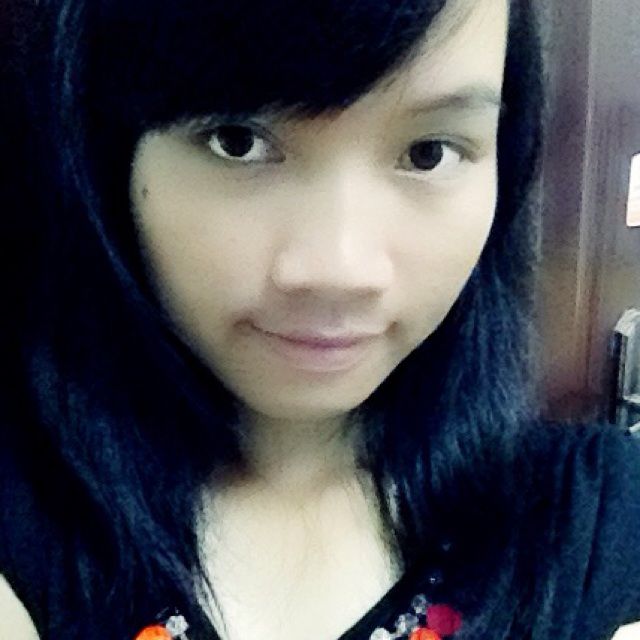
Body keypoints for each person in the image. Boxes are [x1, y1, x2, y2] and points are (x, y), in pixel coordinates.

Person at [1, 0, 639, 639]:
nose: (340, 270)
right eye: (239, 141)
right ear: (109, 155)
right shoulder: (24, 513)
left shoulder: (598, 523)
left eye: (428, 153)